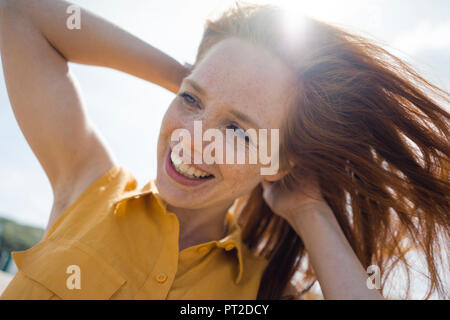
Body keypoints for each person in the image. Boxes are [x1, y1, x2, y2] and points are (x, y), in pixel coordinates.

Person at [0, 0, 448, 300]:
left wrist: (309, 210)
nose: (193, 137)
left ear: (276, 160)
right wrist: (186, 74)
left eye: (237, 131)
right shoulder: (87, 183)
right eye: (189, 102)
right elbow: (19, 13)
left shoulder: (265, 292)